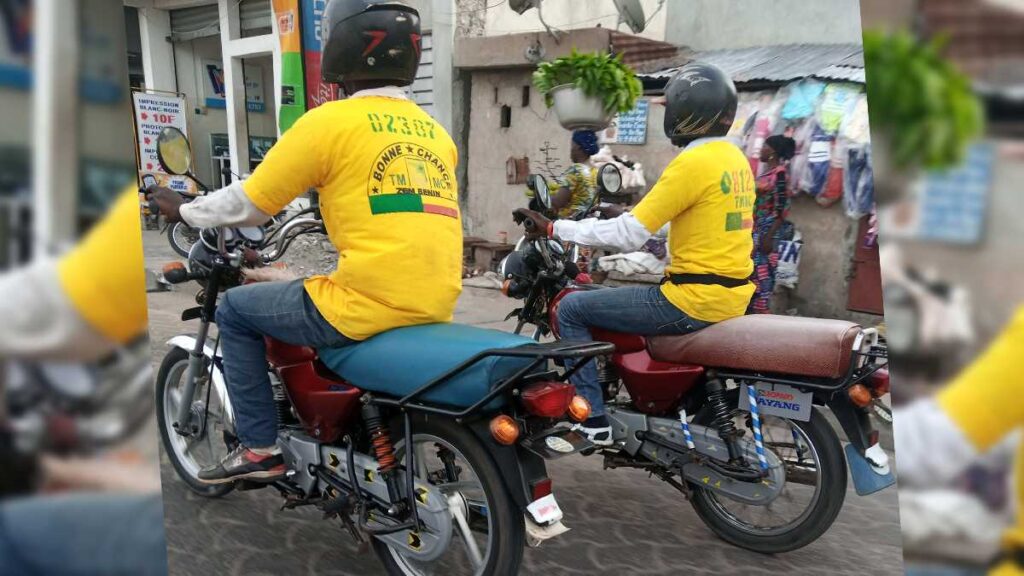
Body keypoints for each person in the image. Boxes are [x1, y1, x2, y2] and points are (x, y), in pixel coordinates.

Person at [149, 0, 461, 485]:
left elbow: (253, 202)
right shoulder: (436, 133)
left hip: (366, 303)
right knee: (306, 286)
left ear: (341, 48)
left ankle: (259, 447)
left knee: (236, 310)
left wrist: (185, 209)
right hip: (436, 300)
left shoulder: (328, 123)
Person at [514, 63, 756, 445]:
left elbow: (629, 236)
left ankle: (592, 419)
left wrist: (554, 228)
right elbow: (688, 220)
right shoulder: (734, 160)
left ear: (687, 112)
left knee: (572, 308)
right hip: (732, 295)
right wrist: (624, 213)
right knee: (597, 295)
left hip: (690, 300)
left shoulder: (692, 162)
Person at [748, 134, 795, 314]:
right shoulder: (767, 173)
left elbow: (782, 207)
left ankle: (761, 314)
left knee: (763, 275)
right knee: (753, 274)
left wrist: (769, 236)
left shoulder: (780, 174)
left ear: (772, 152)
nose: (761, 150)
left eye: (764, 147)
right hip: (758, 229)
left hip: (768, 231)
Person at [548, 130, 601, 218]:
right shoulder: (596, 171)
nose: (571, 150)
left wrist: (544, 197)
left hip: (572, 223)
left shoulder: (575, 170)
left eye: (572, 146)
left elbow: (558, 202)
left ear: (578, 147)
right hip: (590, 221)